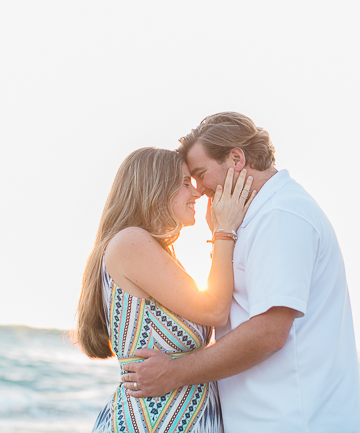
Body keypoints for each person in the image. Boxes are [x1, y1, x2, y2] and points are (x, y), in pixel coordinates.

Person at [121, 113, 360, 433]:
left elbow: (269, 332)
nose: (199, 189)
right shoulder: (260, 216)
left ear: (236, 158)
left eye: (201, 173)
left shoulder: (280, 215)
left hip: (294, 421)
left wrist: (174, 373)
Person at [74, 147, 255, 433]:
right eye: (185, 183)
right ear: (156, 187)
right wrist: (223, 231)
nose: (196, 193)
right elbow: (215, 309)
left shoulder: (156, 252)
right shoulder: (131, 242)